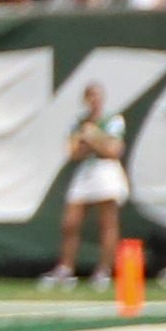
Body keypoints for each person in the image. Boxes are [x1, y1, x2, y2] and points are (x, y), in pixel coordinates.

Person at [55, 86, 128, 291]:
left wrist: (93, 138)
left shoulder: (113, 120)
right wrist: (92, 142)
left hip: (106, 171)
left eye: (98, 96)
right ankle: (65, 268)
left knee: (107, 223)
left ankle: (104, 270)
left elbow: (114, 150)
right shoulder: (78, 123)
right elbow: (73, 152)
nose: (95, 100)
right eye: (91, 96)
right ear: (85, 99)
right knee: (70, 222)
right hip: (86, 171)